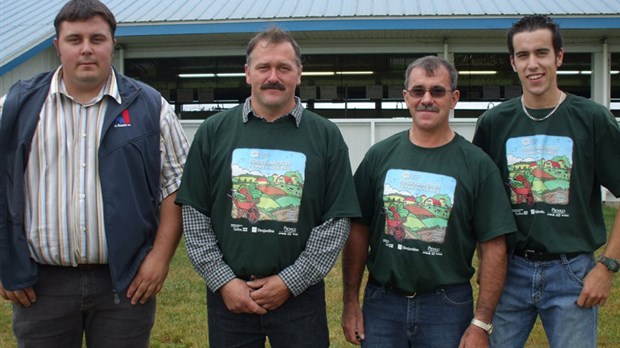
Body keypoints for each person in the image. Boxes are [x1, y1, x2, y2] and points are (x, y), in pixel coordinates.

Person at [0, 0, 189, 346]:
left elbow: (177, 187)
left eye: (97, 39)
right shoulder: (17, 106)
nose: (86, 49)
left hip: (126, 284)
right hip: (41, 286)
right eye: (75, 40)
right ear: (57, 46)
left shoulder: (151, 107)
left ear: (112, 44)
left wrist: (159, 259)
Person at [175, 26, 360, 348]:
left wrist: (290, 281)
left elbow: (336, 221)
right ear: (248, 73)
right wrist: (223, 281)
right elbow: (194, 214)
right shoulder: (213, 132)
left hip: (300, 299)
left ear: (299, 74)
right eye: (264, 67)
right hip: (228, 298)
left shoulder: (326, 136)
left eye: (284, 68)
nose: (273, 76)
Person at [341, 55, 516, 348]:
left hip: (447, 306)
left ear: (454, 98)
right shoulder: (379, 156)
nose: (427, 99)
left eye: (437, 91)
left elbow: (494, 245)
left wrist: (482, 322)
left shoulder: (478, 165)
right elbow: (358, 230)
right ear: (406, 97)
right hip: (382, 303)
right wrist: (350, 303)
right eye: (418, 91)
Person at [472, 14, 620, 348]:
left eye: (542, 53)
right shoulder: (494, 122)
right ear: (513, 62)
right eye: (523, 55)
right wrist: (486, 262)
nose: (533, 64)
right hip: (509, 271)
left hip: (572, 272)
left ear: (559, 57)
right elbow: (479, 202)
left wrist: (607, 267)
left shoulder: (592, 119)